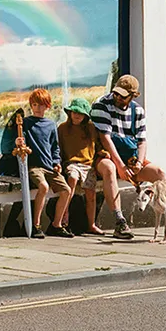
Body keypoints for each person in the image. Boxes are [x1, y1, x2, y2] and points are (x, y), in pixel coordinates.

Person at [90, 74, 165, 239]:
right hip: (106, 155)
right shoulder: (101, 105)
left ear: (132, 96)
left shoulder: (137, 111)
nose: (117, 97)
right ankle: (119, 221)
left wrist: (139, 162)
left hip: (130, 157)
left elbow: (142, 141)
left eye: (122, 96)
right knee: (109, 169)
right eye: (116, 93)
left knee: (159, 173)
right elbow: (105, 138)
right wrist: (120, 167)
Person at [19, 88, 73, 238]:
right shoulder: (26, 123)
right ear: (31, 105)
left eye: (42, 105)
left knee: (66, 190)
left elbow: (55, 146)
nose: (38, 108)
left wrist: (57, 162)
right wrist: (19, 142)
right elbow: (20, 140)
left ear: (47, 106)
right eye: (35, 105)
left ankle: (56, 225)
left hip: (49, 166)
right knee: (43, 186)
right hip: (34, 166)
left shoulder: (50, 125)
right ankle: (35, 224)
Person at [57, 97, 102, 234]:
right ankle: (65, 216)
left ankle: (91, 224)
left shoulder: (91, 128)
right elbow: (58, 148)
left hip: (87, 165)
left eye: (80, 113)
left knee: (91, 195)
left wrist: (103, 153)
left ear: (86, 116)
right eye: (74, 112)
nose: (76, 115)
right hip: (71, 163)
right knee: (72, 178)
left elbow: (97, 146)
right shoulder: (63, 128)